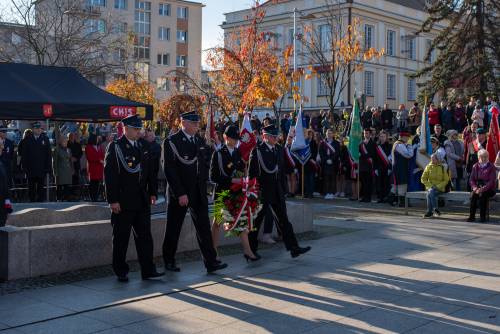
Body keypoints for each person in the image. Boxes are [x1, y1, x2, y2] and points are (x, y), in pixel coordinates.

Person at [162, 111, 227, 273]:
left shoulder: (199, 141)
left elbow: (204, 166)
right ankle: (169, 260)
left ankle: (210, 261)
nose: (197, 125)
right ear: (183, 122)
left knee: (204, 228)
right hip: (181, 193)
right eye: (194, 123)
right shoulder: (172, 142)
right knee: (173, 228)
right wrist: (180, 193)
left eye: (198, 123)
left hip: (198, 192)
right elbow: (170, 170)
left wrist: (207, 186)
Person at [104, 114, 163, 282]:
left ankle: (148, 269)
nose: (139, 132)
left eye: (140, 129)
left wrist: (152, 192)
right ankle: (120, 270)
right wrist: (112, 200)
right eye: (136, 129)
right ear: (126, 129)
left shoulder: (143, 145)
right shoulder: (116, 147)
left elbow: (150, 171)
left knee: (145, 237)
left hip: (141, 199)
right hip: (123, 200)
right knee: (121, 237)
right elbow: (110, 175)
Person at [248, 124, 311, 258]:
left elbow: (282, 171)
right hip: (263, 191)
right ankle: (251, 251)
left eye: (276, 136)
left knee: (284, 220)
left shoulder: (279, 149)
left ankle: (294, 248)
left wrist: (283, 189)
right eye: (272, 136)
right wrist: (253, 192)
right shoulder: (258, 150)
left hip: (277, 191)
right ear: (265, 136)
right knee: (257, 221)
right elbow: (252, 173)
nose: (275, 138)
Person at [210, 125, 259, 262]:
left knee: (241, 221)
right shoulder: (218, 154)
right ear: (225, 137)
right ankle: (213, 251)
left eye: (237, 139)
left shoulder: (238, 152)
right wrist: (232, 179)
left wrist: (244, 180)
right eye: (233, 138)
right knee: (217, 222)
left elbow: (242, 169)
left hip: (236, 192)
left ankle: (248, 251)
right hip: (223, 193)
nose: (236, 141)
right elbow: (213, 176)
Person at [21, 122, 52, 202]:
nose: (38, 130)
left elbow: (48, 154)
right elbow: (24, 155)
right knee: (31, 188)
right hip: (30, 169)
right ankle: (32, 202)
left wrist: (48, 167)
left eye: (39, 128)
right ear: (33, 129)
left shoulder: (45, 139)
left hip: (41, 168)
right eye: (36, 128)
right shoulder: (27, 140)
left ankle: (40, 203)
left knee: (40, 188)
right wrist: (24, 167)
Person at [468, 149, 496, 222]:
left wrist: (482, 189)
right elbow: (471, 179)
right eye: (481, 157)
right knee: (473, 195)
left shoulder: (491, 166)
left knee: (482, 195)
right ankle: (472, 216)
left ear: (488, 157)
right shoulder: (475, 166)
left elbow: (491, 181)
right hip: (477, 187)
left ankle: (482, 217)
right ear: (478, 157)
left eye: (485, 157)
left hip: (489, 188)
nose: (483, 158)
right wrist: (474, 188)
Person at [421, 153, 451, 218]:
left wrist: (437, 186)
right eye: (431, 159)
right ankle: (435, 209)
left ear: (438, 160)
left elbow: (446, 180)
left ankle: (430, 211)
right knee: (430, 192)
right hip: (430, 187)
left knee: (429, 194)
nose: (432, 161)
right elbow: (423, 179)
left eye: (434, 159)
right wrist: (430, 186)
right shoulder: (428, 167)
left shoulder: (442, 167)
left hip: (440, 188)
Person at [390, 131, 414, 207]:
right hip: (400, 168)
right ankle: (402, 202)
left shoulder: (397, 144)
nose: (408, 139)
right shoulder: (400, 145)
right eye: (407, 138)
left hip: (398, 167)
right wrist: (410, 146)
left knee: (396, 185)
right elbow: (409, 155)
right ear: (404, 137)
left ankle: (392, 200)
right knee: (402, 184)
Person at [319, 128, 340, 199]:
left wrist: (332, 159)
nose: (329, 134)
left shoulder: (336, 143)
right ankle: (327, 193)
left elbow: (337, 153)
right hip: (325, 164)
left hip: (334, 164)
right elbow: (321, 153)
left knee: (333, 179)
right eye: (328, 133)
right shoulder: (322, 143)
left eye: (330, 133)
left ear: (333, 134)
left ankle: (332, 193)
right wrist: (326, 160)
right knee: (326, 179)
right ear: (326, 134)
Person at [52, 135, 73, 201]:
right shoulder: (57, 150)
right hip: (60, 171)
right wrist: (55, 172)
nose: (65, 143)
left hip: (67, 171)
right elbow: (54, 162)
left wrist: (72, 169)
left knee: (67, 186)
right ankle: (59, 198)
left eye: (66, 141)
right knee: (59, 186)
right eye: (64, 141)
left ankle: (66, 198)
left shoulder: (68, 150)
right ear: (60, 142)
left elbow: (70, 160)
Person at [359, 128, 376, 202]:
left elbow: (373, 154)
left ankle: (368, 197)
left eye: (367, 133)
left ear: (370, 134)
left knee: (368, 182)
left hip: (369, 165)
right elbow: (359, 154)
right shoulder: (361, 144)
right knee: (363, 182)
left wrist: (365, 156)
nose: (366, 134)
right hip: (362, 165)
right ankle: (363, 196)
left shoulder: (373, 143)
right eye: (365, 133)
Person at [85, 134, 105, 202]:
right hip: (93, 168)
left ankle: (96, 197)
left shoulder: (99, 146)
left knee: (97, 183)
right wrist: (98, 160)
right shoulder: (88, 147)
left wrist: (102, 160)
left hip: (99, 167)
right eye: (96, 138)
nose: (97, 140)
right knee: (92, 183)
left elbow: (102, 155)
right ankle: (92, 197)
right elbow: (89, 157)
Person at [375, 130, 392, 203]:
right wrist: (375, 168)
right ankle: (380, 197)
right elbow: (374, 158)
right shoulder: (377, 146)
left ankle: (386, 197)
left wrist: (390, 168)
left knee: (386, 183)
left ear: (386, 137)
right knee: (379, 183)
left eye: (384, 136)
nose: (382, 138)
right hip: (379, 167)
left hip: (386, 167)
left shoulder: (389, 146)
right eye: (381, 136)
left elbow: (391, 158)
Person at [0, 144, 13, 227]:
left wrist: (8, 207)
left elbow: (5, 188)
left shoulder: (1, 164)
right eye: (0, 146)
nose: (2, 148)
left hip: (2, 206)